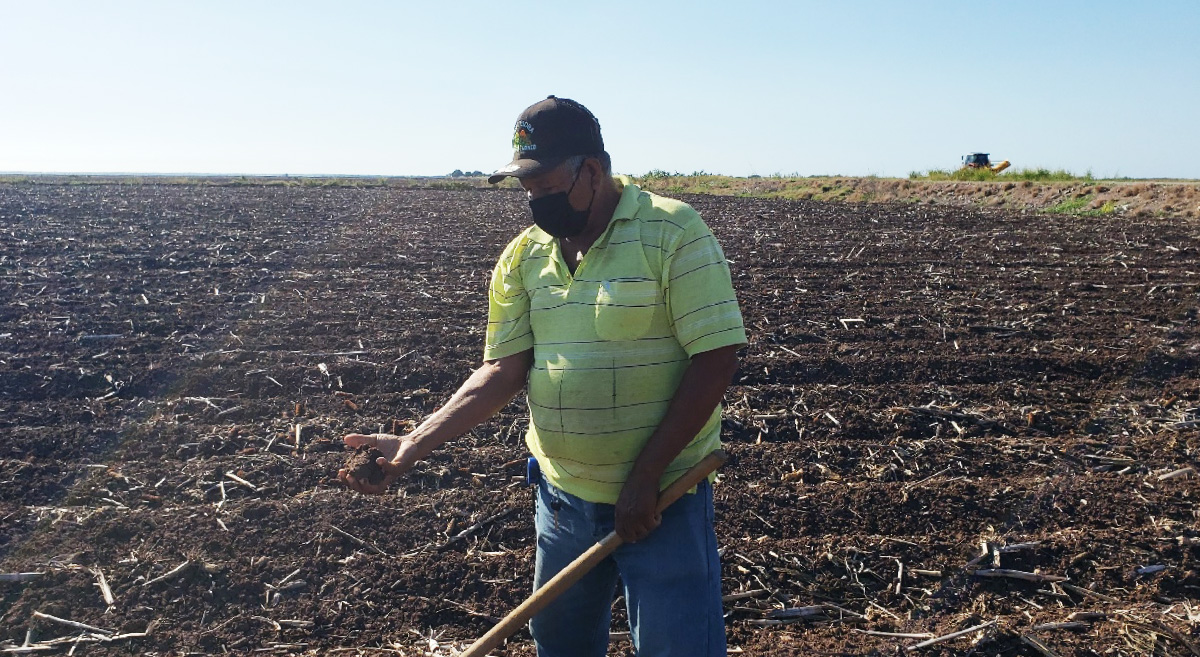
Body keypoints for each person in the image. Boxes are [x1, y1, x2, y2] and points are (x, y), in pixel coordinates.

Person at [339, 95, 747, 657]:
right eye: (527, 189)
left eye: (547, 185)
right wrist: (412, 444)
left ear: (593, 170)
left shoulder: (673, 233)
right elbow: (503, 371)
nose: (535, 200)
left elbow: (716, 358)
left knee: (678, 646)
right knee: (560, 643)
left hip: (663, 499)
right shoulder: (523, 257)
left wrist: (647, 473)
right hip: (563, 501)